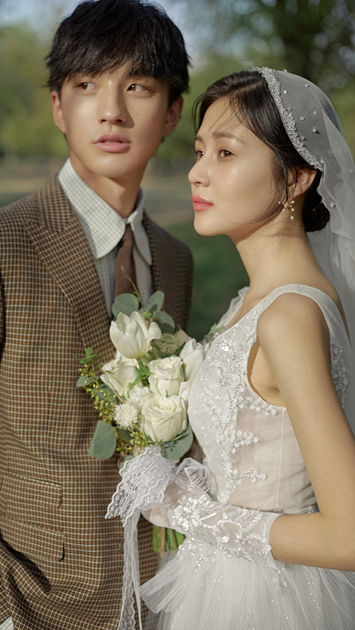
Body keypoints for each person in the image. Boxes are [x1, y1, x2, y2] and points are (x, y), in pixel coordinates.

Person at [0, 1, 193, 629]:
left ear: (172, 113)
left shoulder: (176, 259)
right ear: (58, 107)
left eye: (138, 86)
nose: (112, 110)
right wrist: (1, 614)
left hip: (165, 596)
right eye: (86, 85)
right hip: (37, 601)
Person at [125, 68, 355, 629]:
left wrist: (191, 512)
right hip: (221, 581)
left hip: (266, 600)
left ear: (296, 178)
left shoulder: (288, 316)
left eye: (225, 153)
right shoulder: (252, 303)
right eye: (199, 151)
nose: (197, 172)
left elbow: (349, 535)